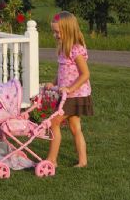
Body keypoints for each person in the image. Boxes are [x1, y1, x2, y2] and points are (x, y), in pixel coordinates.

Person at [45, 11, 93, 168]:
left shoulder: (76, 50)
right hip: (68, 94)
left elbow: (85, 74)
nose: (56, 35)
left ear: (68, 30)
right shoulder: (63, 49)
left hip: (75, 95)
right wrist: (54, 83)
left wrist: (70, 88)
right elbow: (62, 73)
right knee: (74, 127)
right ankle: (83, 161)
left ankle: (52, 160)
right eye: (54, 32)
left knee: (54, 122)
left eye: (58, 32)